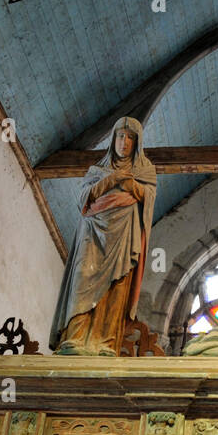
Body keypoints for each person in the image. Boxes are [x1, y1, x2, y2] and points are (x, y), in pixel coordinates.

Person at [49, 117, 157, 354]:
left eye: (130, 137)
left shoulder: (144, 172)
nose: (124, 142)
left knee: (116, 286)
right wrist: (112, 180)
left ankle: (106, 342)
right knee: (82, 276)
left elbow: (147, 198)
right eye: (120, 136)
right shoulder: (97, 170)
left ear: (137, 142)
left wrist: (131, 185)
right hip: (92, 231)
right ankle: (74, 338)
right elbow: (83, 200)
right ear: (112, 139)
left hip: (124, 234)